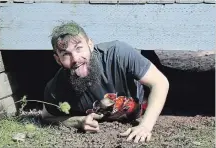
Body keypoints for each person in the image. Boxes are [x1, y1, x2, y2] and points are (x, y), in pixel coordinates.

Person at [41, 21, 169, 143]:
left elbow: (160, 82)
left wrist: (145, 126)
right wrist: (78, 121)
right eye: (65, 54)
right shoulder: (56, 88)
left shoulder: (118, 53)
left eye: (79, 48)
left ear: (90, 44)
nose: (75, 59)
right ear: (58, 59)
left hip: (142, 100)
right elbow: (47, 116)